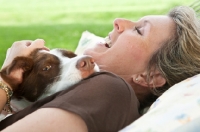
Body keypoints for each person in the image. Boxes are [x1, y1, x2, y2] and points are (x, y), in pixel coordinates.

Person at [0, 4, 200, 132]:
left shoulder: (111, 88)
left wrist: (6, 78)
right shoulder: (92, 92)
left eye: (138, 30)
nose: (118, 22)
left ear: (150, 76)